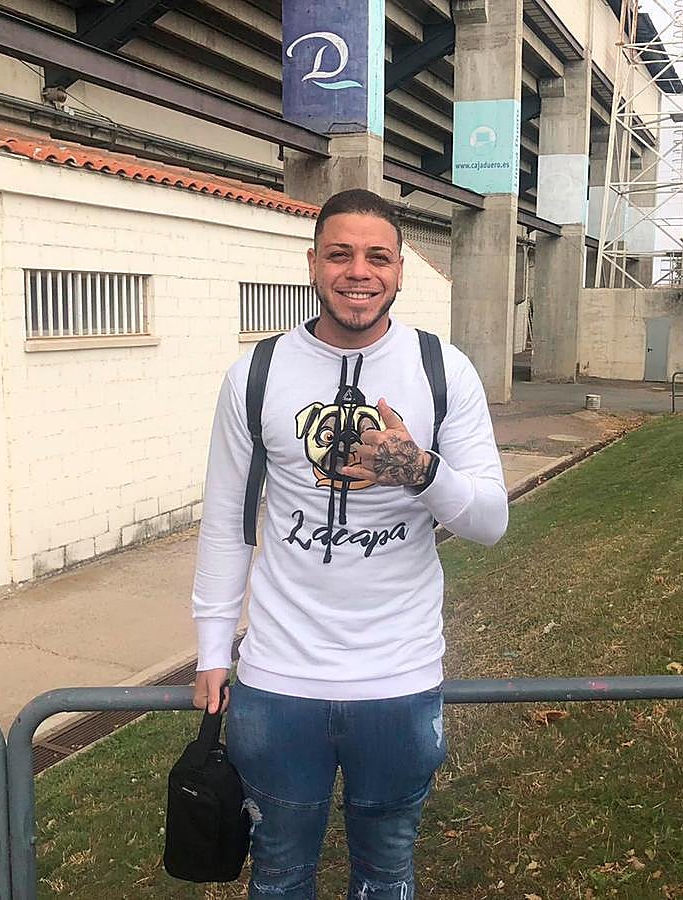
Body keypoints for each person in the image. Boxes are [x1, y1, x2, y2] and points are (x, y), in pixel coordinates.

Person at [190, 188, 509, 899]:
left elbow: (490, 521)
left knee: (386, 874)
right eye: (339, 254)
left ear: (399, 271)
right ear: (312, 264)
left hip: (399, 679)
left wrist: (420, 470)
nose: (358, 272)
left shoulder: (442, 368)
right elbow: (227, 521)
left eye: (377, 257)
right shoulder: (257, 373)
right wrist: (213, 649)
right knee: (278, 874)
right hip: (279, 680)